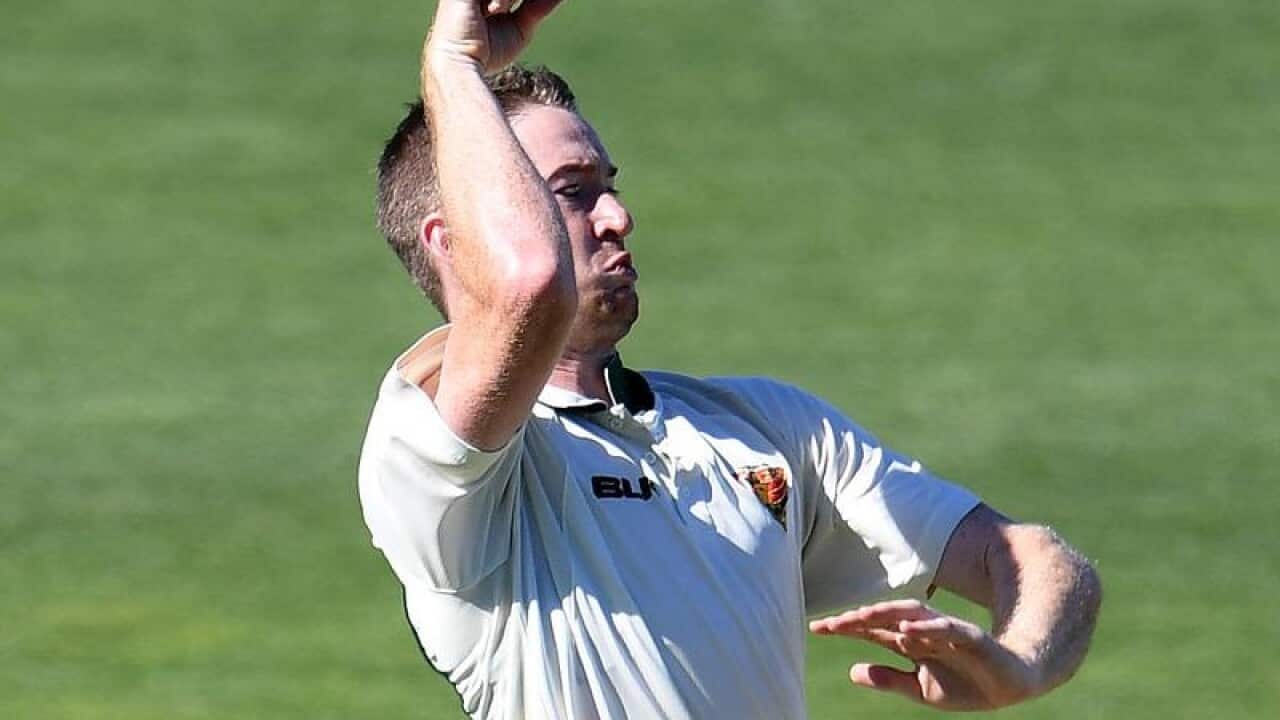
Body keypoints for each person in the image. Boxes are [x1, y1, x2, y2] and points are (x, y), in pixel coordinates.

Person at [358, 1, 1102, 717]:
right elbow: (529, 282)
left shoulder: (765, 427)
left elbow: (1031, 557)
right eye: (573, 193)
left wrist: (1021, 665)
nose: (619, 216)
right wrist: (452, 62)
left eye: (610, 188)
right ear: (455, 244)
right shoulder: (441, 466)